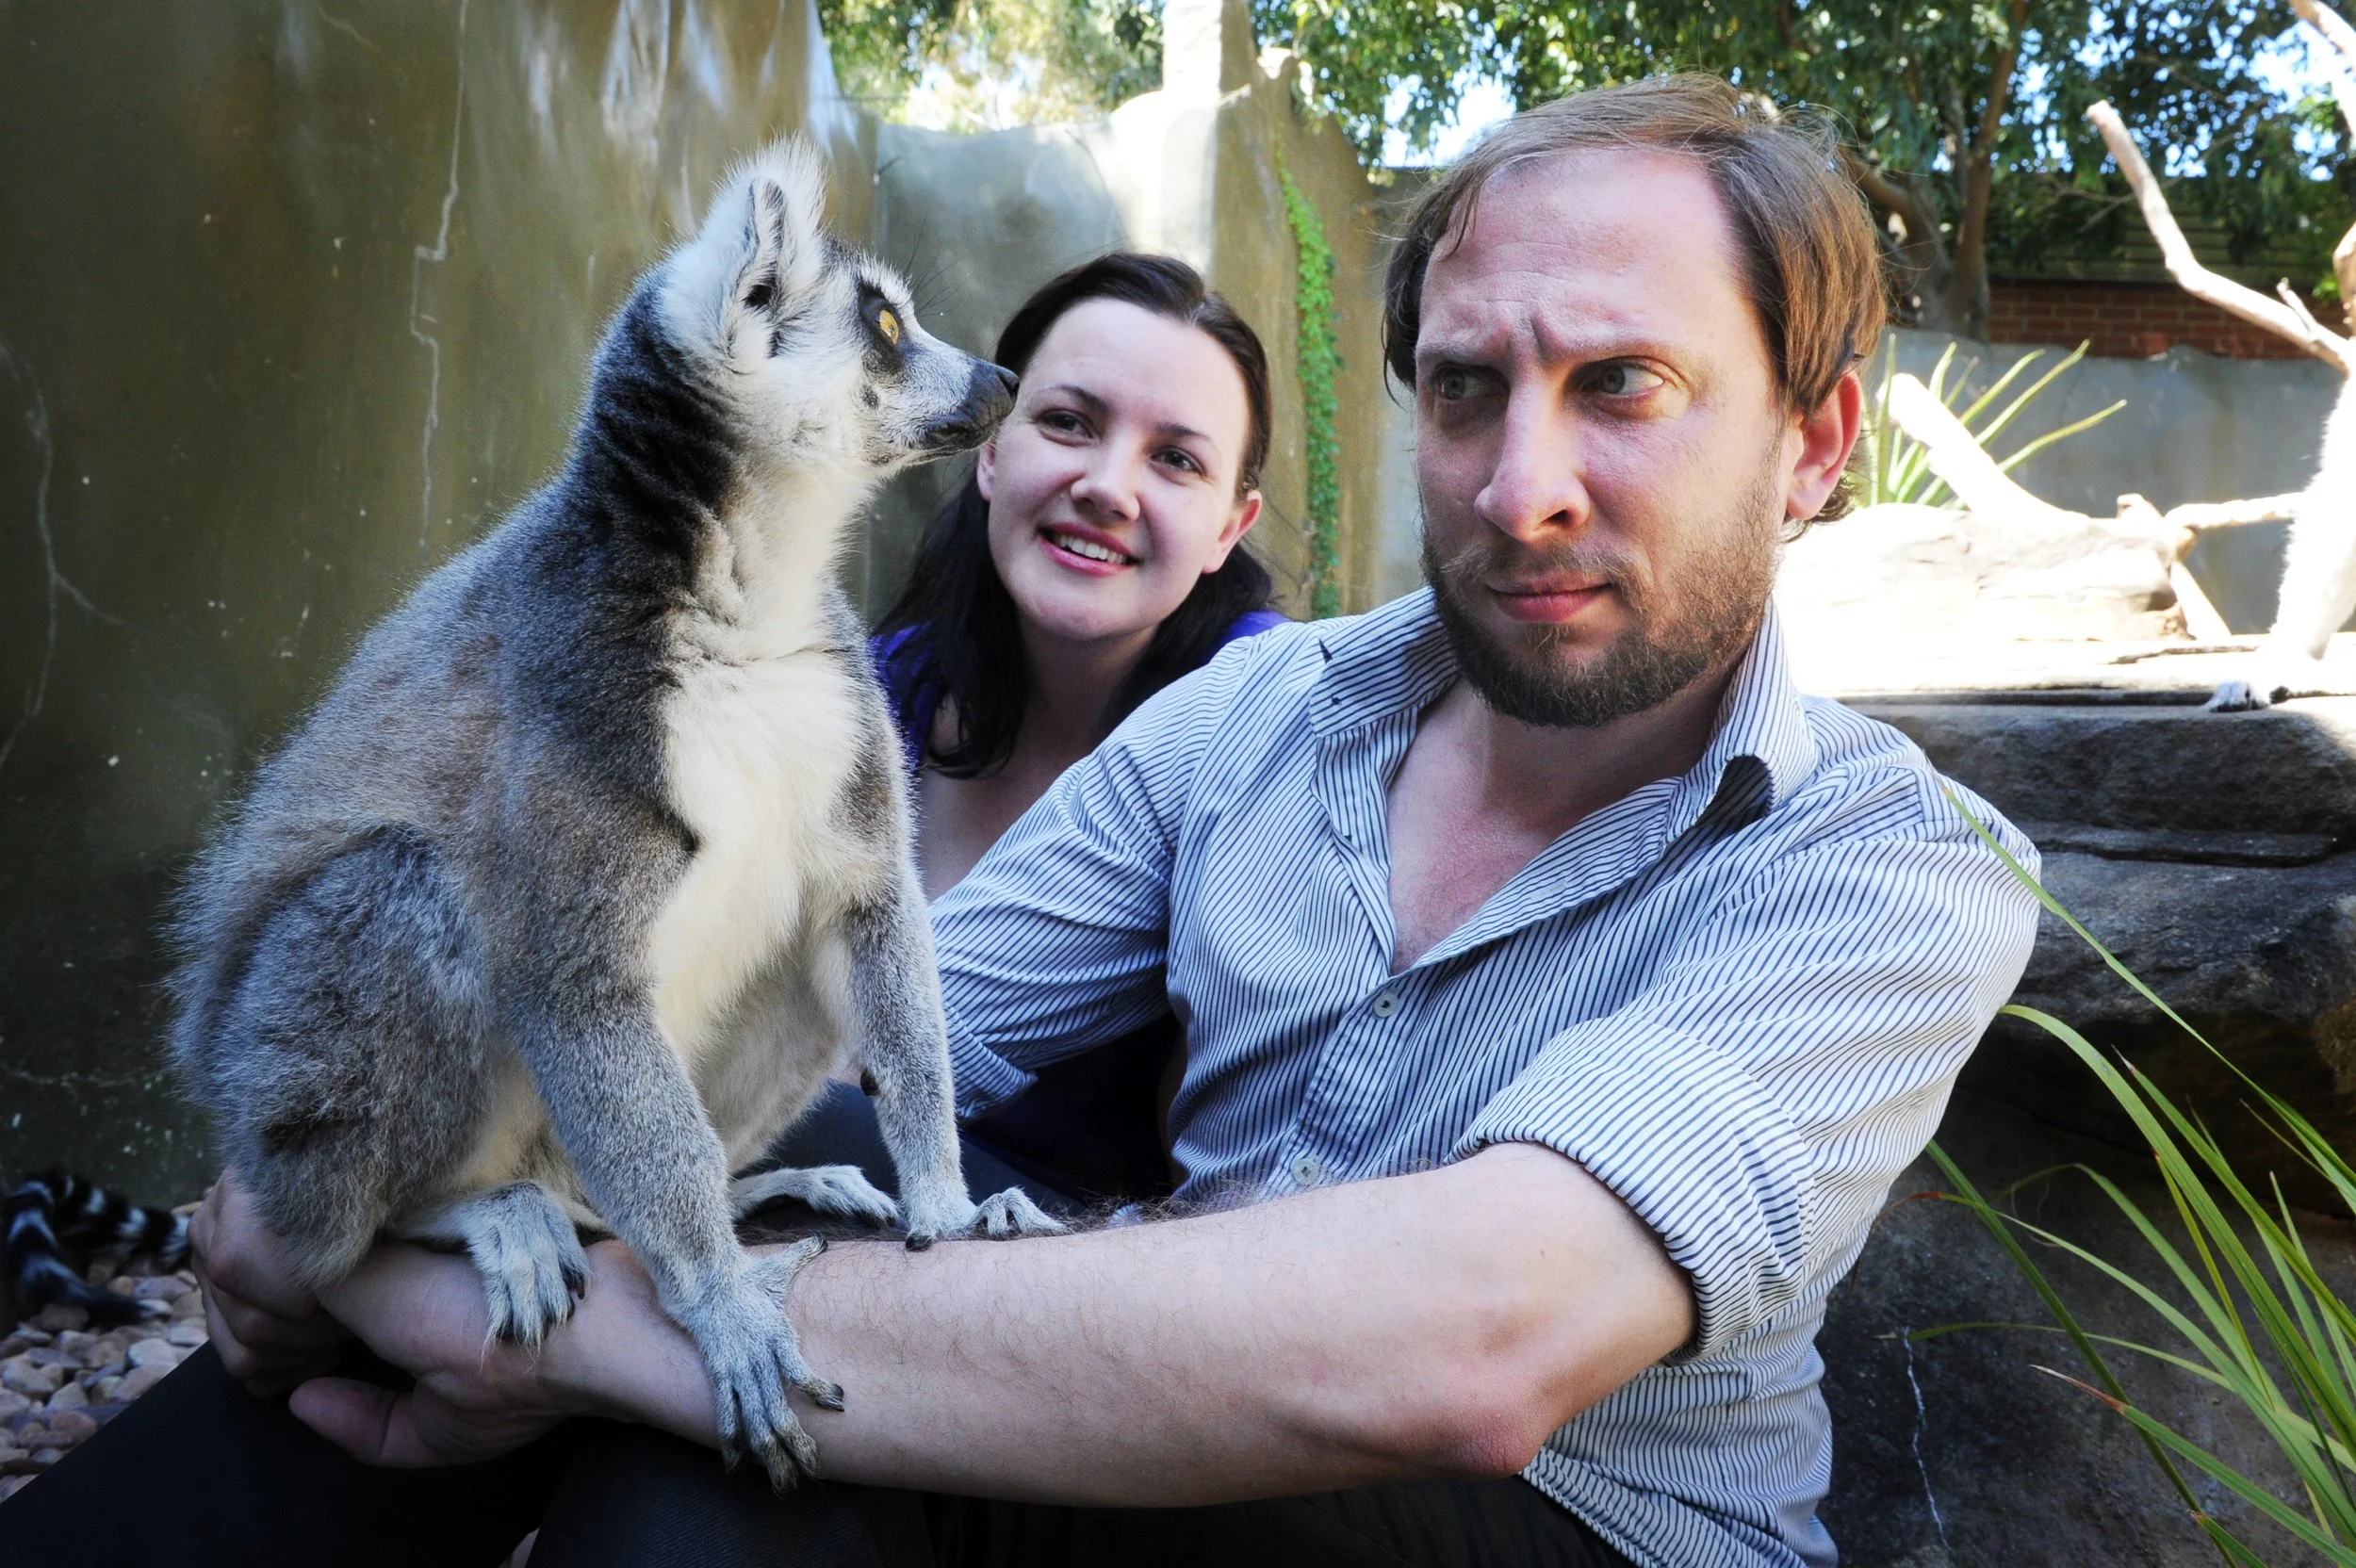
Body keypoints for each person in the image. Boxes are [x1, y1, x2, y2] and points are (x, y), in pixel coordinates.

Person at [7, 75, 2041, 1568]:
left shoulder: (1888, 868)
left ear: (1815, 438)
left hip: (1557, 1522)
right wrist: (360, 1178)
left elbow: (1469, 1345)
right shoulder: (1252, 713)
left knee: (703, 1412)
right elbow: (845, 1034)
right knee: (601, 1446)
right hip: (1170, 1417)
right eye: (1461, 388)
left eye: (1623, 385)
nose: (1518, 483)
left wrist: (616, 1320)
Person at [866, 253, 1284, 1202]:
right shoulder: (872, 692)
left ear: (1231, 524)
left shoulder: (1272, 720)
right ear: (989, 447)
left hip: (1108, 1279)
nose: (1107, 485)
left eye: (1176, 458)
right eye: (1066, 422)